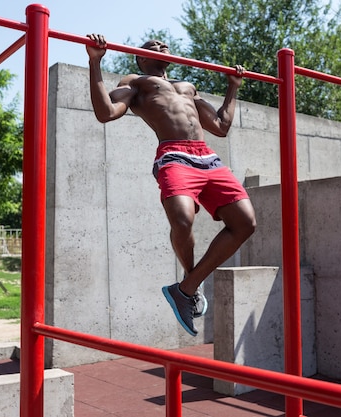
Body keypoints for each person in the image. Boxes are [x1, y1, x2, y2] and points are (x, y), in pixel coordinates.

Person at [86, 34, 256, 336]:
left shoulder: (188, 87)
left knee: (245, 223)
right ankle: (191, 283)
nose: (161, 47)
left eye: (164, 45)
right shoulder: (136, 82)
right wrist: (95, 62)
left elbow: (220, 126)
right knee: (182, 218)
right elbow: (106, 113)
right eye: (152, 47)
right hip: (174, 155)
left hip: (207, 157)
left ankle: (187, 287)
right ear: (140, 58)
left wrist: (233, 87)